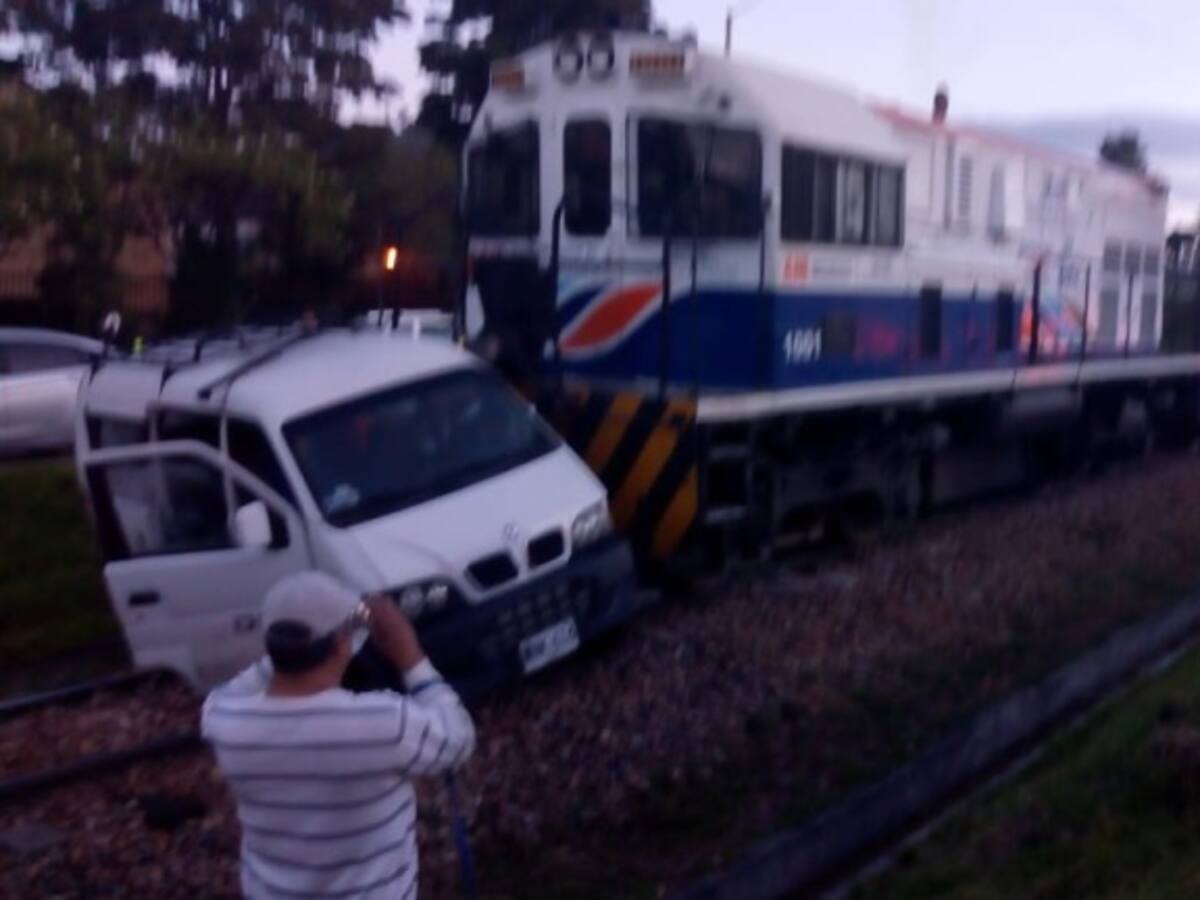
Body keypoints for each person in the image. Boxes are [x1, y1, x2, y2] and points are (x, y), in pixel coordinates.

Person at [201, 571, 476, 899]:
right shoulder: (382, 724)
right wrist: (412, 658)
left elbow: (244, 683)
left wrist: (298, 639)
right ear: (342, 645)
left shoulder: (223, 718)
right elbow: (458, 740)